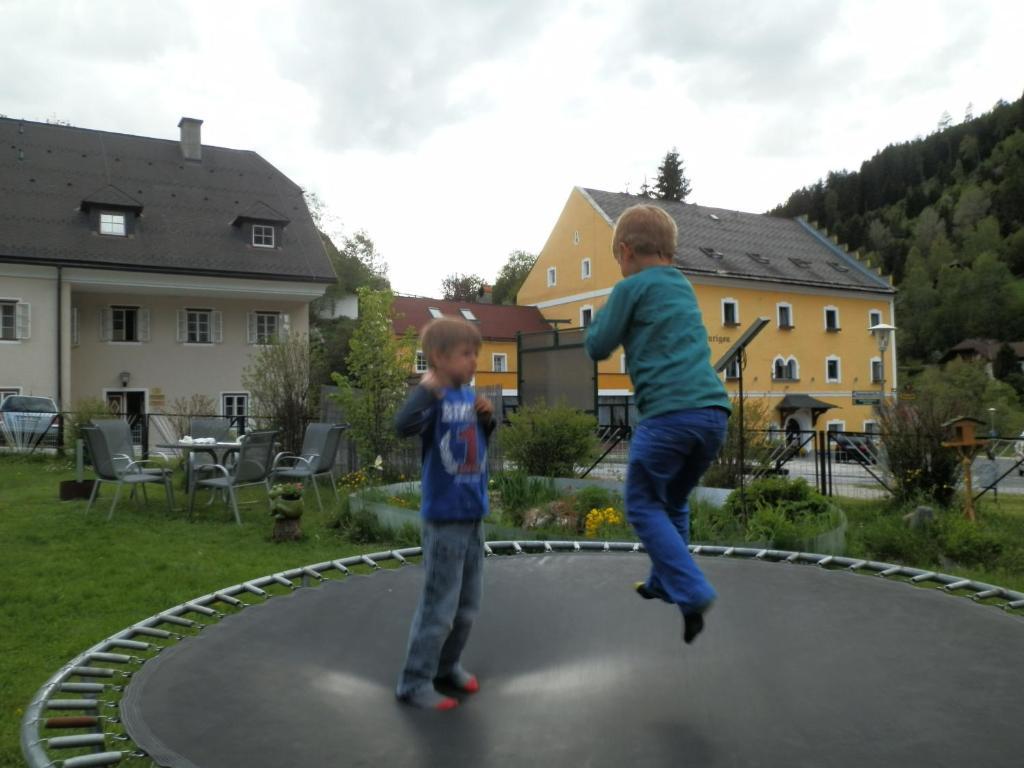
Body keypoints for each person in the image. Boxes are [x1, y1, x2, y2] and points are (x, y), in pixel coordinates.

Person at [584, 203, 731, 645]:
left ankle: (692, 589)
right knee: (674, 502)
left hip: (668, 415)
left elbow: (598, 345)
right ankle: (666, 584)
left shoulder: (631, 288)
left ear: (626, 252)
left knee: (642, 505)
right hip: (713, 415)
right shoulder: (683, 286)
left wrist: (609, 318)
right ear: (669, 250)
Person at [394, 316, 496, 710]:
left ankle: (445, 666)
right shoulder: (432, 398)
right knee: (439, 606)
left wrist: (487, 419)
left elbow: (476, 443)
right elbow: (402, 426)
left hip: (472, 513)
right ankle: (413, 681)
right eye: (466, 354)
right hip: (444, 517)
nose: (473, 362)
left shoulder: (466, 398)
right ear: (438, 357)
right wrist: (428, 388)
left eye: (476, 354)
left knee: (467, 605)